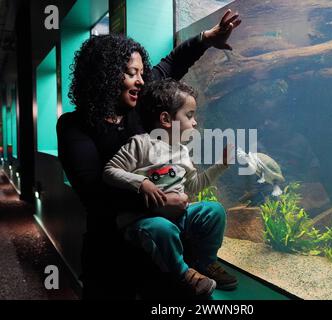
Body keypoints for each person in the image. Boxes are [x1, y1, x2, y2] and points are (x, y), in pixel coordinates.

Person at [56, 10, 241, 299]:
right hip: (112, 249)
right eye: (132, 73)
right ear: (104, 76)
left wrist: (207, 38)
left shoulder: (140, 106)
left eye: (142, 73)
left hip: (164, 245)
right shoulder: (74, 126)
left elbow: (171, 65)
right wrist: (159, 201)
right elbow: (93, 191)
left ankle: (201, 264)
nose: (142, 81)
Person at [103, 79, 237, 297]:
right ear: (166, 119)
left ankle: (206, 263)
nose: (195, 123)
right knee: (161, 229)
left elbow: (194, 186)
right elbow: (110, 171)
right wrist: (142, 183)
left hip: (179, 217)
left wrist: (220, 166)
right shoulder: (140, 144)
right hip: (143, 221)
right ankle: (184, 274)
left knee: (215, 211)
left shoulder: (183, 152)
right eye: (190, 115)